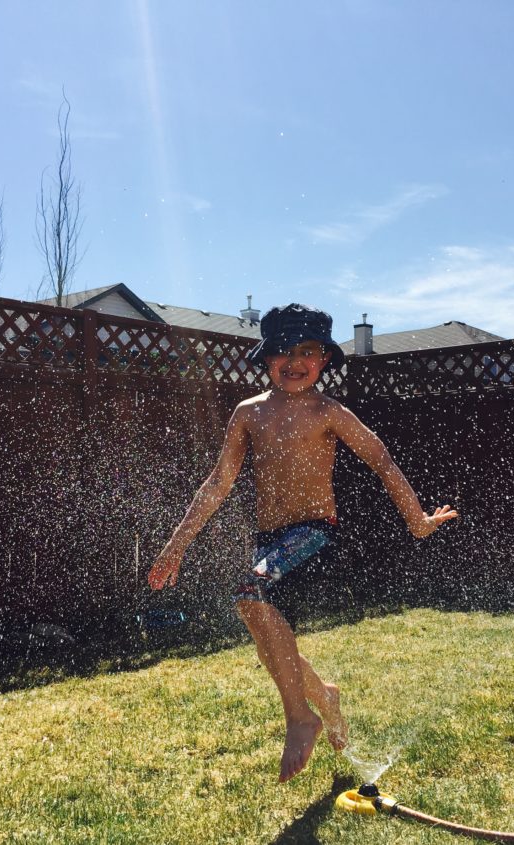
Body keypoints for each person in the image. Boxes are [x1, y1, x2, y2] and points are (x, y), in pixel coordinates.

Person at [148, 303, 459, 782]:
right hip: (271, 540)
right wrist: (176, 544)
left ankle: (300, 717)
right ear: (265, 358)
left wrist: (417, 518)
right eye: (282, 352)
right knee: (270, 647)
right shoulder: (248, 413)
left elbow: (381, 460)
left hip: (316, 531)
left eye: (307, 352)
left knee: (250, 593)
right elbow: (218, 482)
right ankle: (324, 697)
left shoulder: (327, 412)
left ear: (325, 360)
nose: (294, 361)